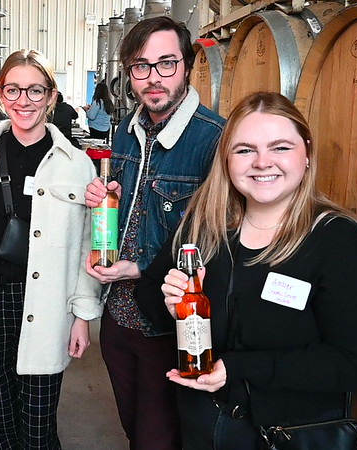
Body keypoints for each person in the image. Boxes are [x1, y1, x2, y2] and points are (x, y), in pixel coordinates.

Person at [137, 92, 357, 449]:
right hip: (201, 425)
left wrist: (237, 367)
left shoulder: (338, 241)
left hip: (288, 435)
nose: (262, 162)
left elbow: (356, 365)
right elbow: (146, 294)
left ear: (307, 153)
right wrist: (169, 305)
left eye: (280, 147)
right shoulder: (203, 225)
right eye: (245, 150)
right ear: (226, 159)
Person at [0, 49, 103, 449]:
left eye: (34, 90)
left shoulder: (76, 164)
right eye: (12, 89)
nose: (23, 100)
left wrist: (82, 315)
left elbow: (88, 245)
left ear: (51, 95)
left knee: (37, 425)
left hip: (46, 302)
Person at [83, 16, 226, 450]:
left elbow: (217, 240)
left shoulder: (213, 140)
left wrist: (141, 268)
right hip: (117, 318)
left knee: (162, 439)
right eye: (141, 66)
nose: (153, 78)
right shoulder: (125, 131)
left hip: (170, 326)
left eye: (166, 64)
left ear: (186, 66)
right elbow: (126, 211)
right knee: (133, 429)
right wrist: (99, 197)